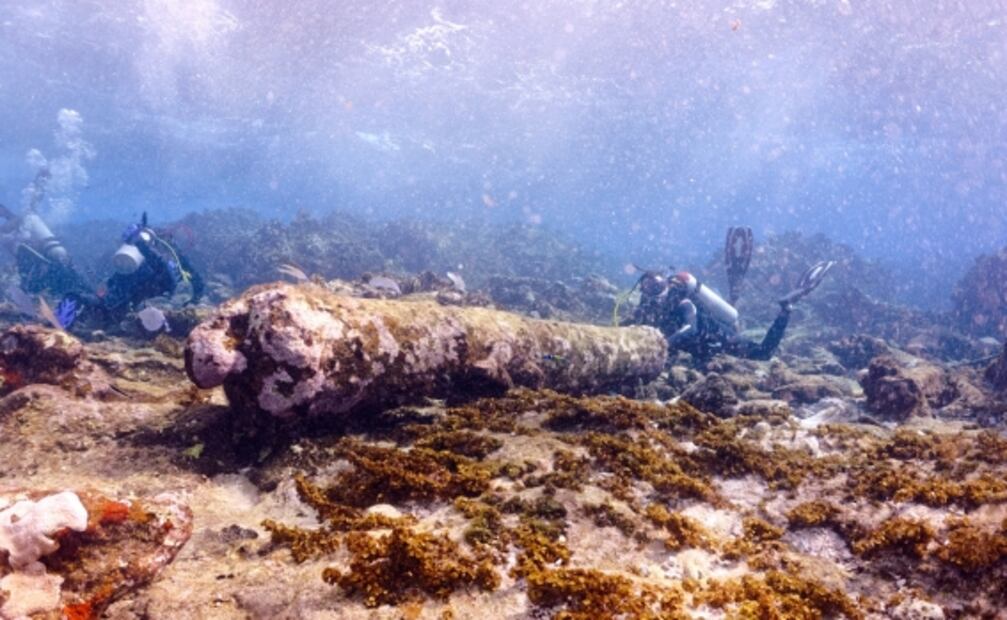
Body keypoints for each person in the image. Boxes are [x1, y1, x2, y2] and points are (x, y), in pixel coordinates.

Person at [627, 227, 834, 362]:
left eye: (656, 285)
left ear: (666, 284)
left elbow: (691, 328)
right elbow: (634, 324)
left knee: (763, 353)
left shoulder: (683, 302)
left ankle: (785, 309)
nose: (652, 291)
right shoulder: (649, 308)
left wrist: (663, 345)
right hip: (701, 349)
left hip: (718, 337)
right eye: (646, 287)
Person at [97, 212, 205, 323]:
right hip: (140, 293)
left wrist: (192, 301)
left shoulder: (166, 252)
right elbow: (123, 273)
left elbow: (169, 278)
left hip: (153, 297)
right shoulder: (151, 252)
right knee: (106, 306)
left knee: (111, 306)